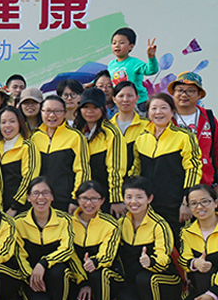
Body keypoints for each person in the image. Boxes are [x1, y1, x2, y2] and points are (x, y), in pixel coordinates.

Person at [115, 176, 180, 300]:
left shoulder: (159, 224)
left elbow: (164, 259)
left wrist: (151, 262)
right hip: (137, 280)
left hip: (165, 278)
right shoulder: (121, 223)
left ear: (149, 199)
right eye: (129, 197)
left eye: (139, 197)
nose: (133, 202)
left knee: (146, 278)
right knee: (125, 299)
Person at [14, 177, 77, 300]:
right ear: (28, 198)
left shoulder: (64, 220)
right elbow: (18, 254)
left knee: (59, 271)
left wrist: (44, 263)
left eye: (45, 193)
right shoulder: (19, 222)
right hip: (32, 275)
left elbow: (67, 249)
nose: (41, 197)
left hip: (55, 274)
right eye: (35, 193)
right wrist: (30, 276)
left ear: (52, 197)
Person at [132, 93, 201, 238]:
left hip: (176, 206)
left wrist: (187, 201)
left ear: (172, 112)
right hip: (149, 207)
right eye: (154, 108)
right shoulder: (141, 138)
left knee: (177, 243)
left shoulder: (184, 137)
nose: (158, 112)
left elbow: (193, 169)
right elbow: (136, 171)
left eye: (164, 108)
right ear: (148, 113)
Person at [69, 181, 123, 300]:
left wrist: (95, 262)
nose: (89, 203)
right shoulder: (67, 223)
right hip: (81, 278)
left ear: (102, 200)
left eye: (94, 199)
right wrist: (84, 282)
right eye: (84, 198)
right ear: (77, 199)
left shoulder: (111, 224)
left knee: (99, 273)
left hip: (107, 275)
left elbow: (108, 255)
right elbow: (69, 255)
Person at [31, 95, 91, 213]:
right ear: (41, 112)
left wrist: (76, 199)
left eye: (57, 111)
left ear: (65, 113)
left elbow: (82, 170)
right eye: (47, 111)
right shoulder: (35, 137)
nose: (52, 115)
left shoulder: (75, 137)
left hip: (65, 201)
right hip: (40, 201)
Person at [72, 87, 127, 216]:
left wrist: (116, 199)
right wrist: (76, 198)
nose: (90, 111)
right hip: (83, 199)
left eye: (95, 107)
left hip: (105, 197)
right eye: (86, 107)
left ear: (103, 108)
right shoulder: (77, 132)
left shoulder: (111, 133)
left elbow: (116, 168)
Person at [177, 184, 218, 300]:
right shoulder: (187, 231)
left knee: (208, 273)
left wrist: (213, 293)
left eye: (204, 201)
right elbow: (183, 259)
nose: (199, 207)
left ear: (215, 203)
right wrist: (195, 263)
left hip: (215, 287)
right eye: (193, 203)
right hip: (203, 284)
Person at [169, 72, 218, 190]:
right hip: (171, 185)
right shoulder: (165, 117)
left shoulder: (208, 117)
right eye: (180, 90)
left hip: (204, 184)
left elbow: (216, 150)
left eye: (190, 91)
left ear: (199, 94)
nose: (184, 95)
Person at [0, 106, 40, 216]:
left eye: (12, 121)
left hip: (20, 209)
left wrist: (15, 206)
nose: (7, 126)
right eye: (3, 122)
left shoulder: (27, 146)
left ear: (20, 123)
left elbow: (29, 178)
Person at [108, 27, 158, 109]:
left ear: (131, 46)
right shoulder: (111, 64)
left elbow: (151, 70)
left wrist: (151, 57)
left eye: (121, 43)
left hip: (138, 103)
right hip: (121, 103)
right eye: (114, 43)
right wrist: (92, 83)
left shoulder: (134, 62)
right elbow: (106, 79)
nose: (117, 45)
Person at [110, 81, 148, 180]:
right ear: (114, 99)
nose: (125, 100)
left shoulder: (147, 126)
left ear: (137, 98)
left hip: (139, 181)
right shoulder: (107, 127)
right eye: (121, 96)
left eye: (130, 96)